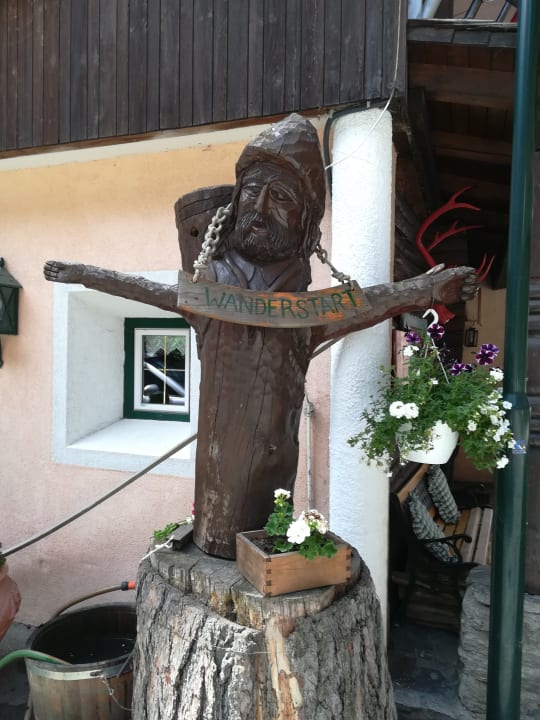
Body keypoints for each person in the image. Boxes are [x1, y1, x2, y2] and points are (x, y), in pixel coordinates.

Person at [44, 113, 477, 558]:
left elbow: (369, 303)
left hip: (271, 480)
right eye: (252, 190)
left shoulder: (304, 307)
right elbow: (148, 291)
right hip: (215, 493)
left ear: (305, 221)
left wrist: (425, 289)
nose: (261, 206)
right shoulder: (211, 284)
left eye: (282, 196)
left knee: (267, 525)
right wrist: (85, 275)